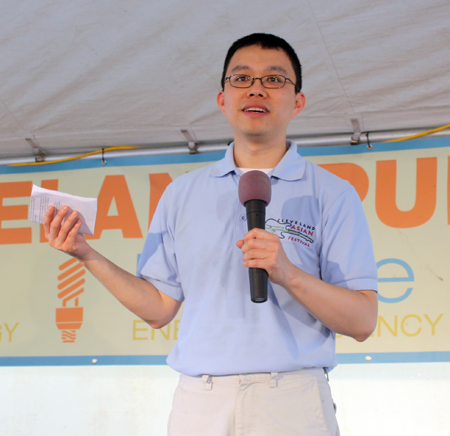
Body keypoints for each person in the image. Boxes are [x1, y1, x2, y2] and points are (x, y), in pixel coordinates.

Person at [45, 33, 378, 436]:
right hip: (199, 401)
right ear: (222, 99)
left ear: (298, 101)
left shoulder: (331, 192)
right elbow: (158, 308)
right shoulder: (182, 193)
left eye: (274, 79)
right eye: (241, 78)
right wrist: (87, 254)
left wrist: (288, 273)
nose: (256, 88)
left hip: (290, 398)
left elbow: (362, 320)